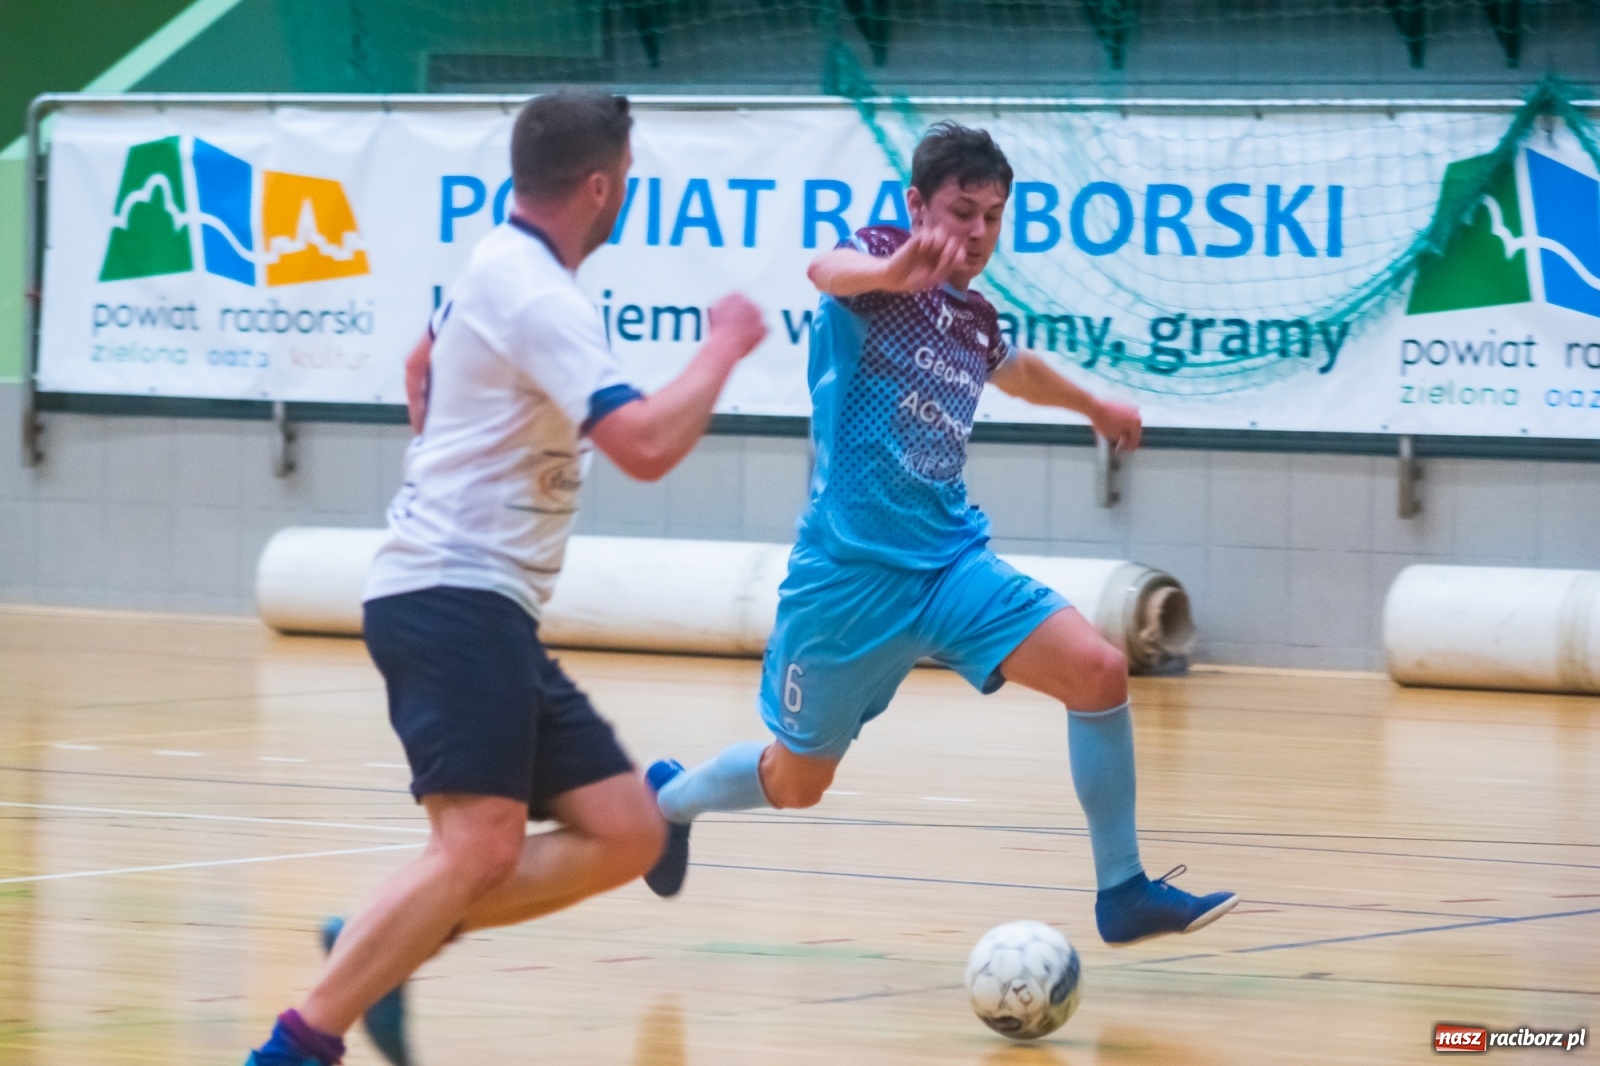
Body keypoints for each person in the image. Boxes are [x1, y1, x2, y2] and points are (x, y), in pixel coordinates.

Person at [245, 91, 768, 1066]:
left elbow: (419, 363)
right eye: (631, 180)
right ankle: (297, 1043)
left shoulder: (495, 265)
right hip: (451, 596)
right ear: (603, 185)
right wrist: (724, 347)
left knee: (625, 832)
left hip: (482, 604)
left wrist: (454, 437)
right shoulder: (536, 292)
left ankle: (383, 946)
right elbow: (645, 444)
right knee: (478, 845)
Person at [644, 121, 1236, 948]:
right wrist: (893, 268)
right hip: (847, 582)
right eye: (963, 211)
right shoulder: (880, 265)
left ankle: (1123, 892)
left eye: (994, 217)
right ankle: (670, 801)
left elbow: (1016, 367)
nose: (978, 233)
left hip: (951, 564)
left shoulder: (974, 318)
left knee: (1099, 672)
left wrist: (1096, 407)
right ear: (918, 205)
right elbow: (825, 270)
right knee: (797, 781)